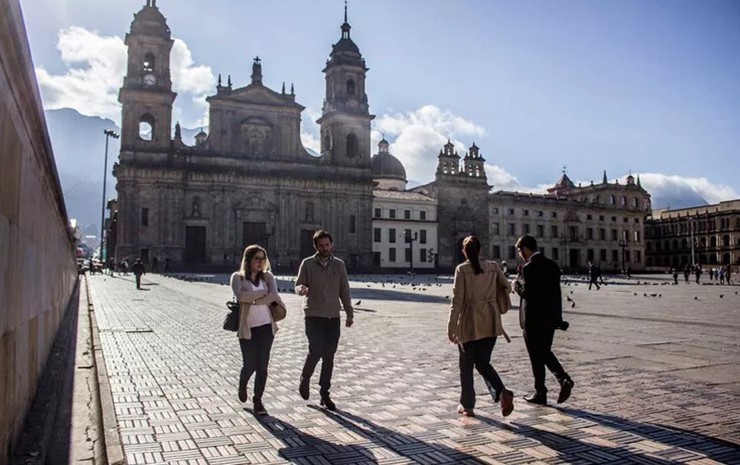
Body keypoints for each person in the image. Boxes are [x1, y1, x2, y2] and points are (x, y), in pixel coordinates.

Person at [447, 235, 514, 418]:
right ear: (480, 250)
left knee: (466, 366)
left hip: (470, 323)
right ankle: (501, 392)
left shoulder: (462, 270)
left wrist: (451, 326)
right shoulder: (493, 266)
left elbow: (457, 301)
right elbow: (507, 286)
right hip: (491, 322)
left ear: (464, 252)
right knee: (483, 363)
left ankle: (467, 405)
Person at [295, 230, 353, 411]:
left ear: (331, 244)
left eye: (327, 245)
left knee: (329, 356)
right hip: (313, 314)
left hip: (333, 316)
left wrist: (349, 313)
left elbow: (344, 290)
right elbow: (298, 284)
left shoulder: (339, 265)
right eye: (321, 246)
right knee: (316, 350)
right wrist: (301, 289)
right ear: (315, 246)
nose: (324, 248)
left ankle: (324, 393)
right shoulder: (307, 264)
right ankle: (305, 378)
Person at [513, 235, 574, 406]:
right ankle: (562, 381)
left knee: (536, 356)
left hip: (532, 320)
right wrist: (558, 319)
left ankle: (542, 391)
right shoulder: (552, 265)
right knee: (544, 352)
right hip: (549, 319)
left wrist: (516, 286)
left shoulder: (529, 268)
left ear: (525, 249)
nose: (519, 254)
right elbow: (557, 295)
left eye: (519, 251)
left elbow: (529, 295)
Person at [230, 244, 287, 415]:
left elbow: (274, 296)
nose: (260, 262)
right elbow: (240, 296)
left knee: (263, 365)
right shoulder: (237, 277)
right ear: (248, 260)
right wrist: (263, 295)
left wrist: (253, 299)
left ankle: (258, 401)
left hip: (266, 327)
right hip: (247, 328)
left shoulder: (268, 277)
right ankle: (242, 383)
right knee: (250, 365)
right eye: (257, 258)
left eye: (263, 258)